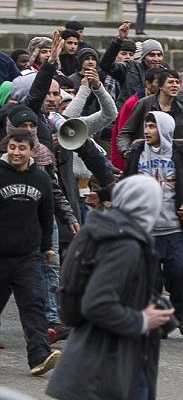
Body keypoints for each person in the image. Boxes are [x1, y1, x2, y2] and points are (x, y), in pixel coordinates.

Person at [46, 175, 172, 400]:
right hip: (106, 368)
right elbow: (97, 303)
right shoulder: (125, 245)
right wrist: (142, 320)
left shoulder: (105, 231)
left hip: (96, 362)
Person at [124, 111, 183, 337]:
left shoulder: (181, 154)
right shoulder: (137, 152)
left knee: (182, 272)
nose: (147, 131)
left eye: (152, 126)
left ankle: (182, 313)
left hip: (174, 228)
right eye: (146, 126)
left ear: (164, 129)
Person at [0, 128, 60, 376]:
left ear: (31, 150)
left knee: (34, 304)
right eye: (12, 147)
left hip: (28, 256)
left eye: (22, 148)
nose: (16, 152)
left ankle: (39, 356)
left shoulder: (41, 178)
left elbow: (46, 215)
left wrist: (46, 247)